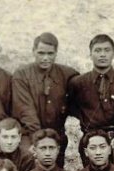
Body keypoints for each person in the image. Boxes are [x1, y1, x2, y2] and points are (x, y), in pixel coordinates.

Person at [67, 35, 114, 167]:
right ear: (90, 54)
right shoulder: (79, 82)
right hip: (92, 135)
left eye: (107, 50)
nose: (102, 54)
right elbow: (72, 107)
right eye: (98, 50)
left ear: (113, 53)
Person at [12, 32, 78, 161]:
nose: (45, 58)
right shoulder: (22, 75)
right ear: (33, 51)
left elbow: (80, 97)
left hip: (56, 134)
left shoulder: (67, 74)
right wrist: (39, 140)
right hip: (29, 134)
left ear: (56, 53)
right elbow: (26, 111)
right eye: (41, 53)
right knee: (30, 160)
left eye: (50, 54)